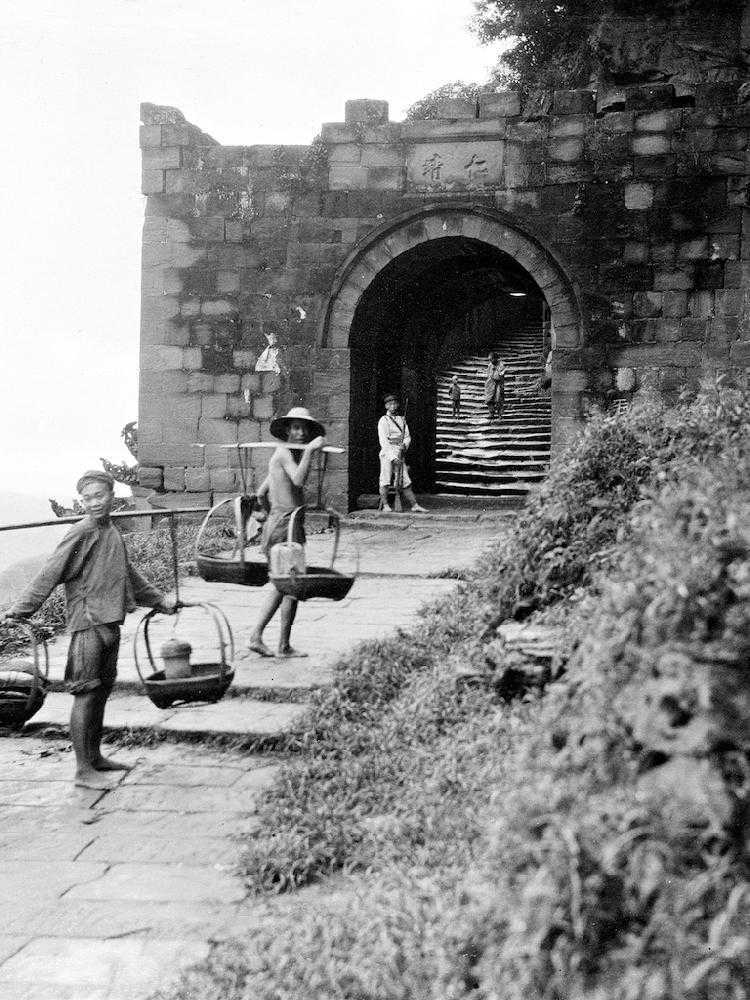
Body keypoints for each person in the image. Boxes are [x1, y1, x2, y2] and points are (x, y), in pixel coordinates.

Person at [0, 471, 175, 789]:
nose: (94, 503)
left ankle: (95, 757)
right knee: (86, 694)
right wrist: (20, 610)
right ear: (82, 501)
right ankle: (83, 769)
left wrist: (160, 601)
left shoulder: (111, 530)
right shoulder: (80, 532)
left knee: (101, 692)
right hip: (88, 627)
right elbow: (50, 572)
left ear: (112, 495)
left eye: (100, 496)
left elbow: (127, 575)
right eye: (87, 498)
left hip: (110, 624)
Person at [247, 407, 325, 659]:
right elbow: (299, 481)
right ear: (287, 431)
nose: (300, 433)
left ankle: (283, 644)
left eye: (304, 429)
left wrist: (273, 513)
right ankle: (257, 636)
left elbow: (261, 492)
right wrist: (312, 451)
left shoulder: (284, 455)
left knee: (290, 585)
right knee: (286, 585)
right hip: (284, 527)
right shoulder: (283, 453)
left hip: (283, 524)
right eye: (295, 428)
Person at [377, 394, 427, 513]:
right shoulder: (383, 420)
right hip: (387, 453)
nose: (393, 406)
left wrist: (404, 445)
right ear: (386, 406)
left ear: (397, 405)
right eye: (390, 404)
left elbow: (407, 436)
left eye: (395, 404)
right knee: (385, 478)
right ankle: (385, 505)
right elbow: (383, 441)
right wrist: (392, 457)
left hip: (399, 451)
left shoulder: (401, 419)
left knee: (404, 479)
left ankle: (414, 505)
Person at [484, 351, 506, 420]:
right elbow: (488, 374)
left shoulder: (501, 365)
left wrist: (496, 373)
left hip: (498, 385)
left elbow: (500, 376)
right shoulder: (490, 365)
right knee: (489, 399)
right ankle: (491, 413)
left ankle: (500, 415)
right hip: (490, 384)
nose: (490, 361)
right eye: (489, 360)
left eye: (491, 359)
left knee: (498, 400)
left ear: (495, 358)